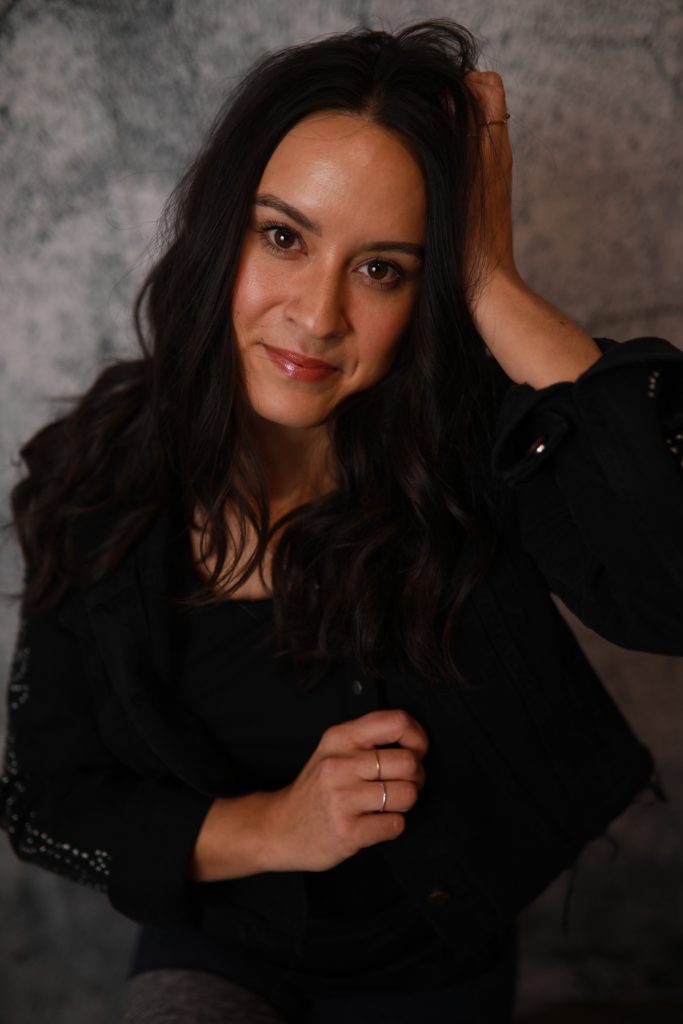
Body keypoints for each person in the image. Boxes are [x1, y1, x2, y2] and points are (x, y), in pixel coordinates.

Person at [2, 18, 682, 1024]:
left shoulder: (470, 452)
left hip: (427, 959)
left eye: (382, 269)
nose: (316, 316)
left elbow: (669, 591)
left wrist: (493, 282)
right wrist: (277, 827)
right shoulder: (91, 476)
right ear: (217, 229)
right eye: (282, 236)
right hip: (218, 936)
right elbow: (43, 805)